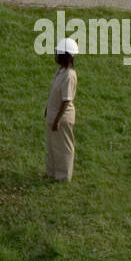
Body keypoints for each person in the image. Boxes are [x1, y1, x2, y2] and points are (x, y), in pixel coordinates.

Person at [45, 38, 78, 181]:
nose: (56, 56)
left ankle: (63, 176)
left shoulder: (69, 76)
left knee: (63, 148)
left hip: (61, 118)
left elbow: (66, 101)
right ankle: (51, 173)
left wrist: (57, 120)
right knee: (52, 146)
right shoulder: (60, 71)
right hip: (53, 115)